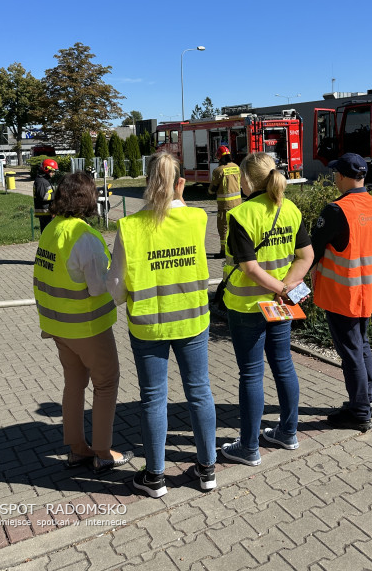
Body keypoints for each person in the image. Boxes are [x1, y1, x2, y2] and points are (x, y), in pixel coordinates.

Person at [108, 152, 217, 497]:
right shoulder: (197, 219)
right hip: (192, 321)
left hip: (148, 326)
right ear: (178, 182)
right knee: (199, 391)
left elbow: (115, 287)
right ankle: (207, 469)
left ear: (146, 183)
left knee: (153, 399)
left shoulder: (130, 227)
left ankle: (155, 477)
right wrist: (180, 199)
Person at [33, 171, 132, 475]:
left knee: (73, 385)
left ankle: (77, 449)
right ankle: (103, 452)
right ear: (88, 200)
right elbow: (98, 287)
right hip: (88, 327)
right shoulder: (85, 237)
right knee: (106, 383)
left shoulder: (52, 230)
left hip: (58, 327)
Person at [220, 152, 314, 466]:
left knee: (251, 374)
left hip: (248, 306)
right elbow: (306, 257)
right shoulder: (290, 208)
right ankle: (288, 432)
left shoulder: (242, 214)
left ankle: (248, 448)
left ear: (246, 180)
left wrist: (279, 288)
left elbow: (248, 267)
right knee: (284, 366)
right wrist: (286, 289)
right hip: (281, 306)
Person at [311, 153, 372, 433]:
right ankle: (366, 400)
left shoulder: (336, 210)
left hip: (343, 293)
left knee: (351, 351)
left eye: (335, 174)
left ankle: (359, 411)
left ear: (342, 176)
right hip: (369, 290)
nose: (334, 178)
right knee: (362, 345)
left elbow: (313, 249)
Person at [208, 145, 242, 258]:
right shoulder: (236, 167)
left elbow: (212, 189)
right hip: (238, 204)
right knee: (236, 227)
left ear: (219, 157)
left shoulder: (218, 171)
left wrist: (210, 190)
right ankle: (237, 249)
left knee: (223, 228)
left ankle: (223, 251)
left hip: (225, 205)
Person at [34, 158, 59, 232]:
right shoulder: (42, 182)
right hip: (45, 212)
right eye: (52, 171)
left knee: (47, 233)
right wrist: (56, 195)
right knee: (48, 233)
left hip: (46, 212)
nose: (53, 173)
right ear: (46, 169)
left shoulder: (43, 180)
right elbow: (43, 196)